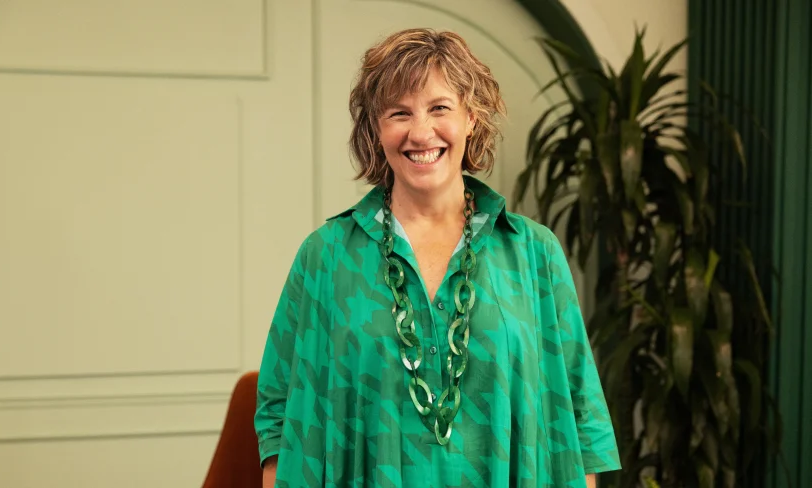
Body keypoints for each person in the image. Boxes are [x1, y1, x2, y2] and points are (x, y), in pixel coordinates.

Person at [254, 28, 620, 487]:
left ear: (472, 116)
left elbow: (580, 416)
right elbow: (280, 411)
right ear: (377, 129)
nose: (421, 131)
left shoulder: (534, 253)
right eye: (399, 113)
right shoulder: (324, 257)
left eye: (440, 108)